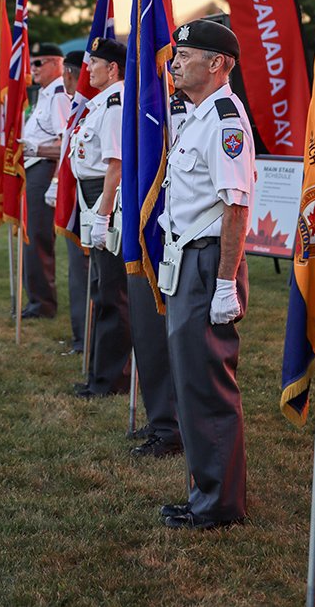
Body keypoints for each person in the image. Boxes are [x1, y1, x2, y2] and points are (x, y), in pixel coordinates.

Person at [157, 19, 255, 529]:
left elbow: (235, 208)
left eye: (185, 56)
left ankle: (218, 504)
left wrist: (223, 283)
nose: (175, 64)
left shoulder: (223, 121)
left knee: (208, 387)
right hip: (188, 256)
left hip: (208, 261)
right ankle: (206, 493)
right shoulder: (197, 115)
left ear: (217, 64)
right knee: (191, 382)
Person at [127, 92, 189, 458]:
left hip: (185, 242)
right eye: (174, 62)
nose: (176, 66)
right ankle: (161, 418)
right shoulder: (156, 100)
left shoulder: (214, 117)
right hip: (159, 230)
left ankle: (173, 425)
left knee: (178, 342)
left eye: (182, 62)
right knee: (147, 332)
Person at [69, 38, 132, 397]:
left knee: (111, 291)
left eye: (94, 63)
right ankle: (101, 374)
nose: (87, 68)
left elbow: (116, 165)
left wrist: (103, 215)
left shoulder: (114, 104)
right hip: (92, 195)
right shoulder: (101, 103)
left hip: (105, 198)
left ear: (112, 69)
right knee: (101, 287)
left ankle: (111, 380)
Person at [19, 42, 70, 320]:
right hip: (34, 167)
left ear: (57, 64)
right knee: (31, 235)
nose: (33, 68)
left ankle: (43, 303)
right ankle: (36, 299)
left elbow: (66, 142)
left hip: (45, 168)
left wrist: (36, 150)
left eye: (39, 63)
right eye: (32, 63)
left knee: (38, 236)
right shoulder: (45, 93)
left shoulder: (59, 94)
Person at [60, 50, 90, 353]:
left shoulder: (107, 105)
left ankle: (88, 338)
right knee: (79, 272)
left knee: (88, 274)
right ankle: (83, 336)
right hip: (81, 192)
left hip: (95, 199)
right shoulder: (89, 105)